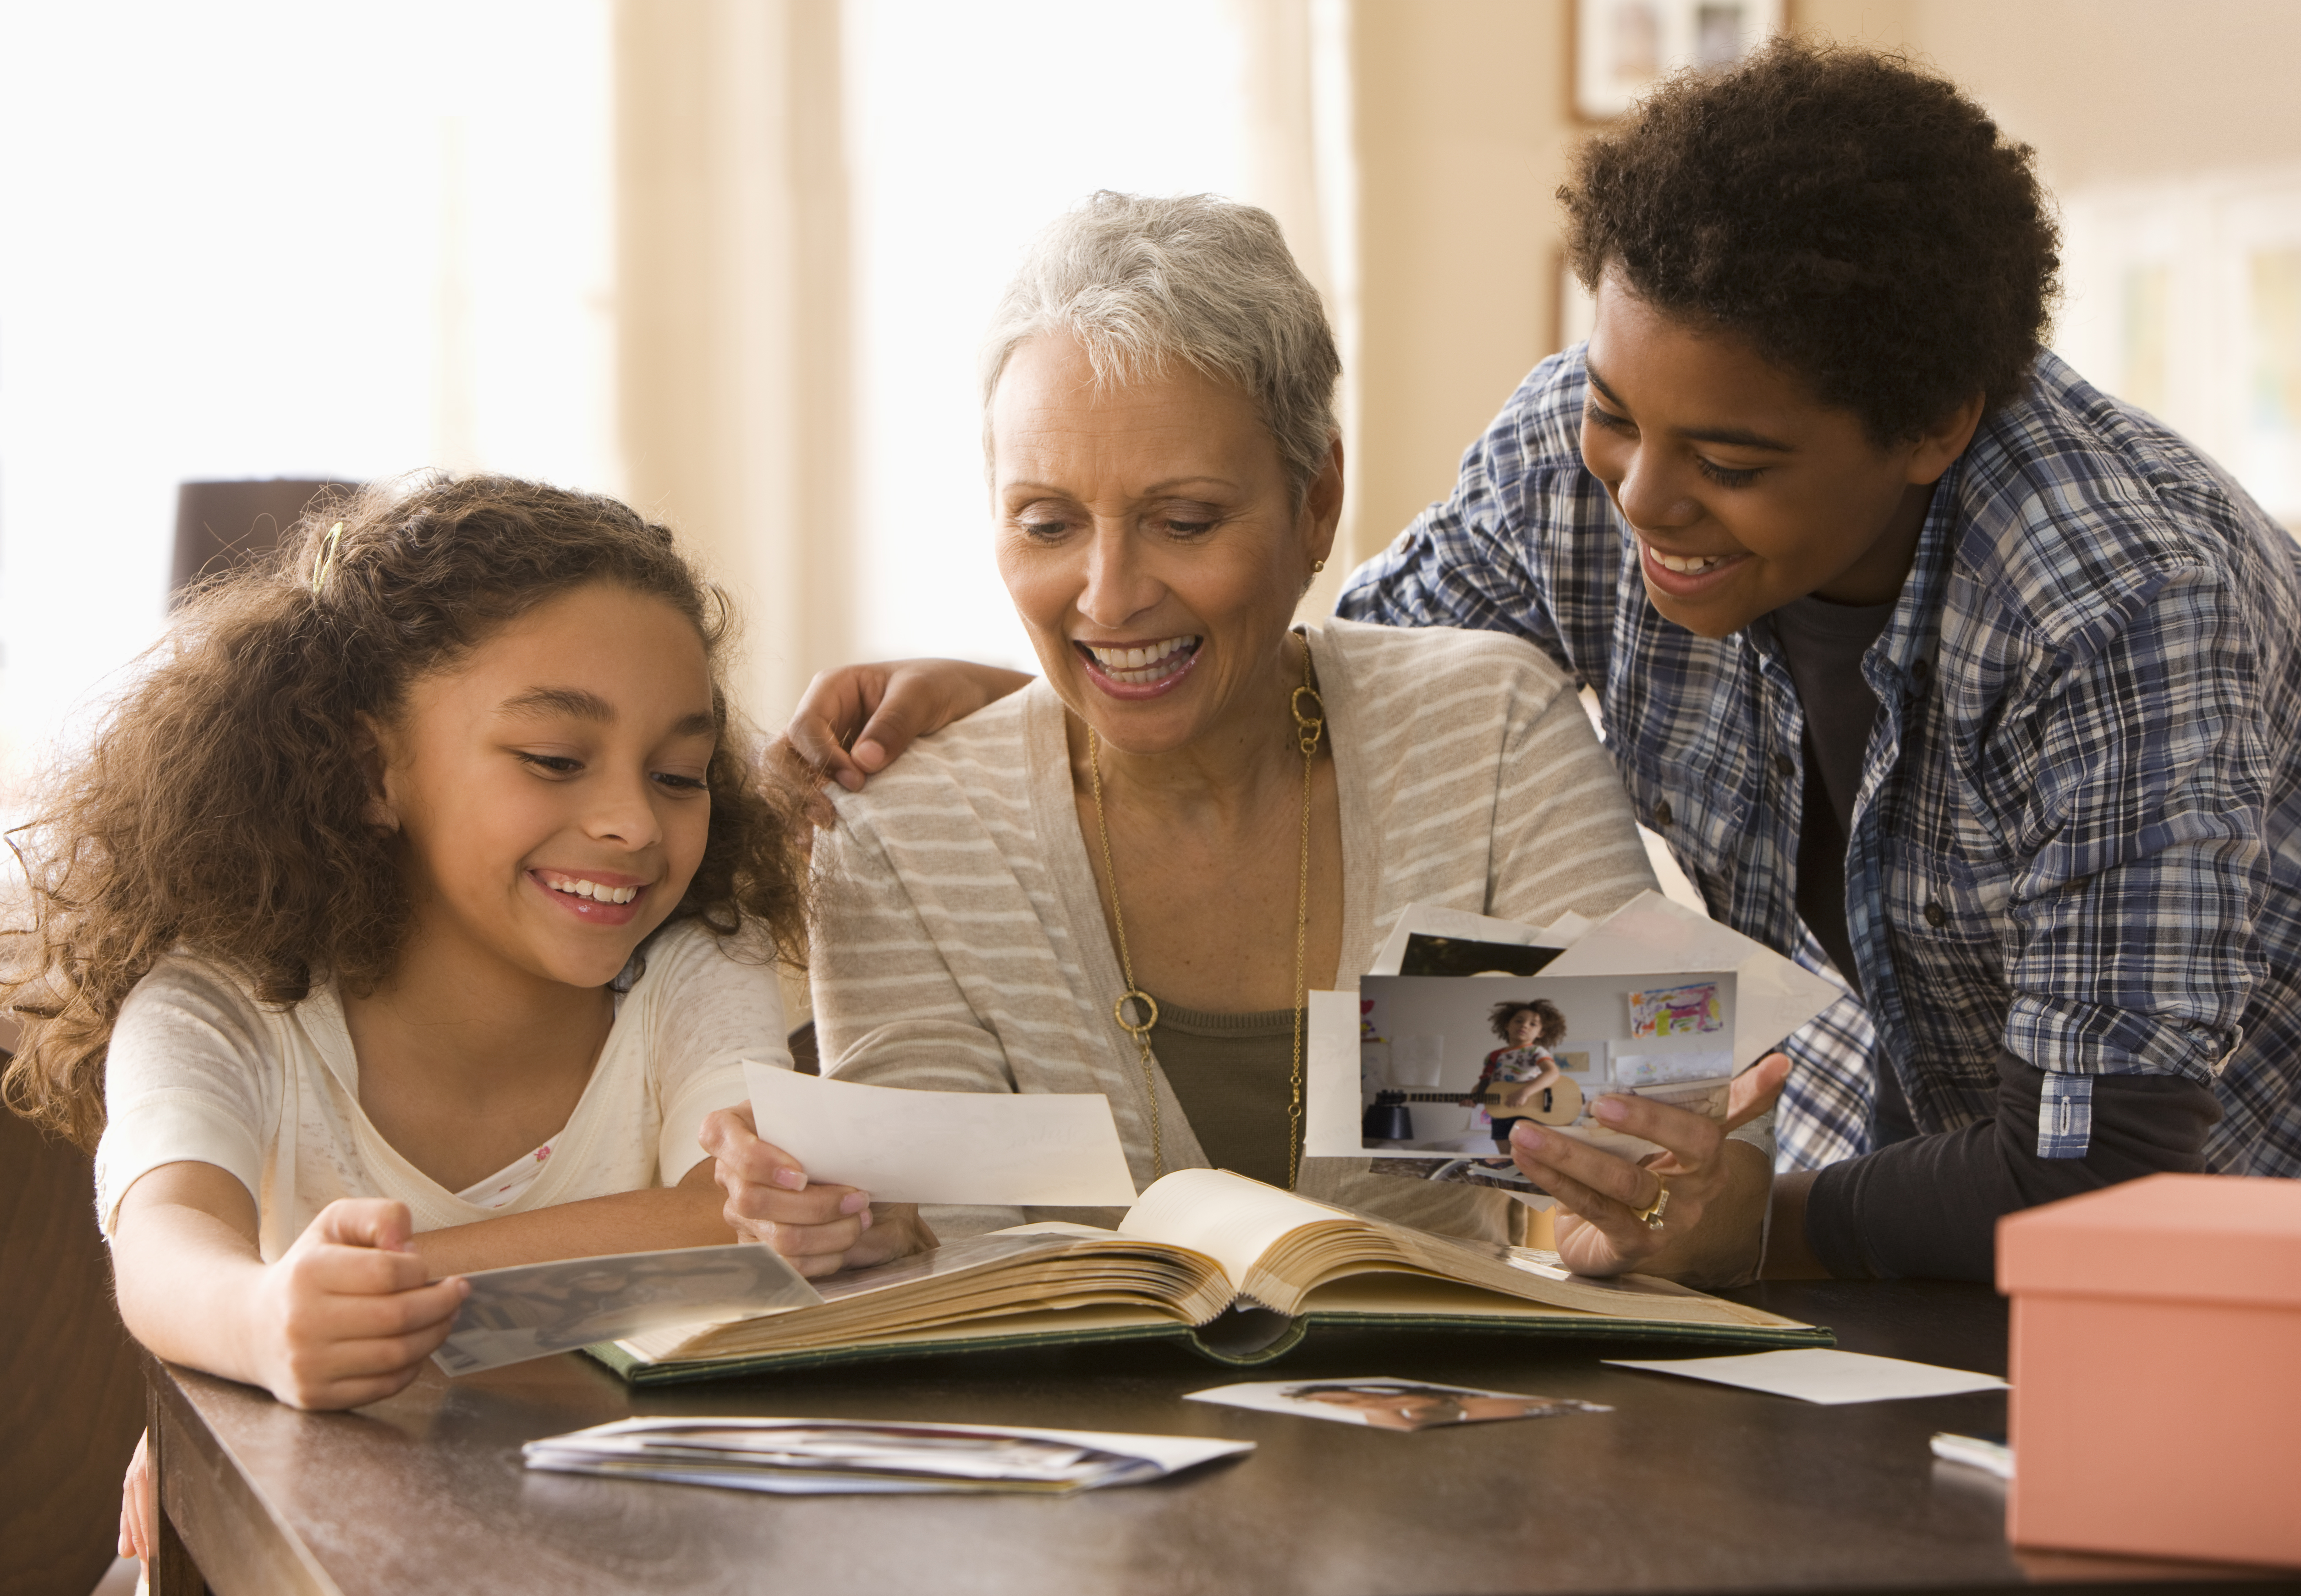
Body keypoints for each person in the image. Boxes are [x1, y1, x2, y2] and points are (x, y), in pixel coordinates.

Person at [784, 41, 2301, 1284]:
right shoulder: (1565, 462)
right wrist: (1082, 695)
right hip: (1899, 1142)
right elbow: (1322, 674)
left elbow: (2103, 1155)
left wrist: (1744, 1221)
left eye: (1730, 458)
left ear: (1930, 428)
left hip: (2210, 1225)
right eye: (1620, 410)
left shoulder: (2128, 600)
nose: (1639, 496)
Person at [705, 192, 1754, 1273]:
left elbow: (1689, 1165)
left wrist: (1649, 1216)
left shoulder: (1485, 729)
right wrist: (850, 1222)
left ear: (1316, 501)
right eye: (1048, 524)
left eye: (1185, 521)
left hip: (1447, 1416)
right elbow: (944, 1250)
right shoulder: (903, 829)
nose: (1108, 600)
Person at [0, 477, 813, 1564]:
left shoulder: (701, 962)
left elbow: (740, 1217)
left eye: (680, 773)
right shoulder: (220, 1006)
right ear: (371, 767)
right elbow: (165, 1250)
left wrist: (385, 1291)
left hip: (625, 1551)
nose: (632, 821)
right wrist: (257, 1333)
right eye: (554, 760)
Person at [1470, 999, 1567, 1152]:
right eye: (1519, 1021)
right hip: (1500, 1112)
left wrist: (1524, 1093)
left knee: (1531, 1154)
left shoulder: (1536, 1052)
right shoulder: (1493, 1056)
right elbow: (1487, 1082)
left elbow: (1552, 1073)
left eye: (1533, 1024)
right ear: (1506, 1025)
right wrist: (1474, 1095)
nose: (1524, 1025)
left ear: (1541, 1033)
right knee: (1507, 1157)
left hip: (1531, 1110)